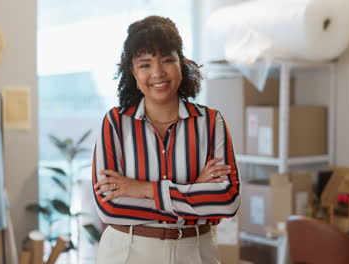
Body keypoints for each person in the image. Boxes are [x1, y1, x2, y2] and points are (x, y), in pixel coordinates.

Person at [92, 15, 240, 264]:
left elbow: (226, 200)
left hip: (196, 252)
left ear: (181, 63)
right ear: (133, 72)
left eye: (167, 60)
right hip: (127, 253)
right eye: (145, 64)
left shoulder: (211, 122)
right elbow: (110, 207)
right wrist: (195, 191)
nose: (158, 73)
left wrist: (141, 189)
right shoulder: (115, 123)